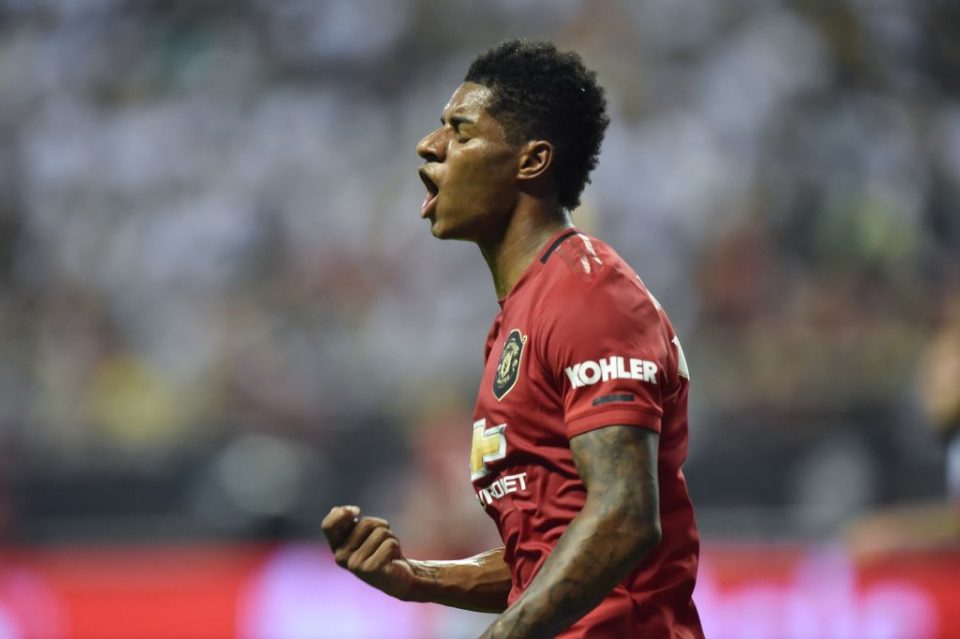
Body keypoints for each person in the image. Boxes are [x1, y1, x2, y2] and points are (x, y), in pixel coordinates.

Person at [323, 39, 703, 639]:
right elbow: (543, 560)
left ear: (531, 162)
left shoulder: (591, 297)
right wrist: (415, 578)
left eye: (461, 131)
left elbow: (626, 516)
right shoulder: (519, 317)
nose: (430, 145)